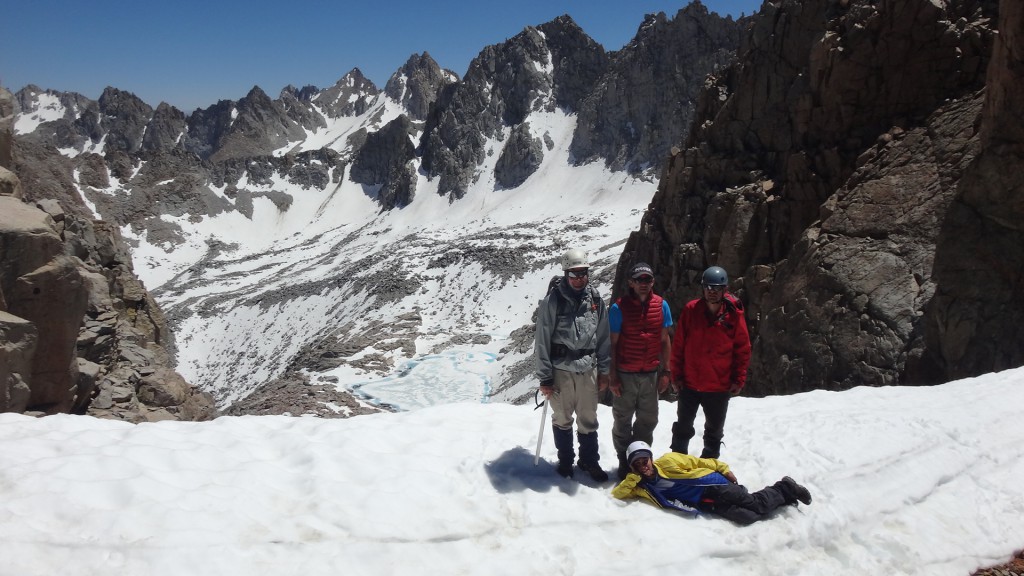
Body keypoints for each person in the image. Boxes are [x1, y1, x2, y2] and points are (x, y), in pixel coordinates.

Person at [535, 248, 611, 481]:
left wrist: (605, 370)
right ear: (566, 274)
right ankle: (566, 462)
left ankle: (589, 461)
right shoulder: (553, 301)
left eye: (583, 273)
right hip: (561, 371)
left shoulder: (596, 299)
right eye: (574, 274)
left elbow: (603, 336)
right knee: (562, 418)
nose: (579, 279)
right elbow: (543, 339)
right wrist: (545, 378)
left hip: (588, 368)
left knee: (588, 419)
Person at [612, 441, 812, 525]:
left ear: (651, 458)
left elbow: (700, 462)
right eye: (637, 465)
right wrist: (633, 478)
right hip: (705, 501)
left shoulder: (668, 461)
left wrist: (724, 469)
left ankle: (784, 487)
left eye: (644, 461)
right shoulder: (642, 487)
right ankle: (784, 497)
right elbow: (618, 494)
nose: (642, 466)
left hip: (712, 484)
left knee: (755, 504)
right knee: (747, 517)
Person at [669, 265, 751, 460]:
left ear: (724, 290)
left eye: (716, 288)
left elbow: (742, 349)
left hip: (718, 386)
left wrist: (738, 379)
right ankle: (678, 463)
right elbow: (678, 346)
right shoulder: (691, 310)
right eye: (708, 287)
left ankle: (709, 467)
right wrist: (676, 376)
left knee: (714, 430)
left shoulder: (733, 315)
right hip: (689, 383)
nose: (712, 292)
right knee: (683, 426)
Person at [608, 262, 673, 479]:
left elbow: (664, 341)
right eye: (639, 280)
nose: (644, 284)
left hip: (651, 373)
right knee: (622, 419)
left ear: (653, 282)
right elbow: (612, 344)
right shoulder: (619, 308)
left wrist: (666, 372)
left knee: (648, 419)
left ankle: (641, 458)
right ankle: (623, 459)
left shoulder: (661, 305)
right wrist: (613, 376)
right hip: (625, 374)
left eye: (647, 280)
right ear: (631, 283)